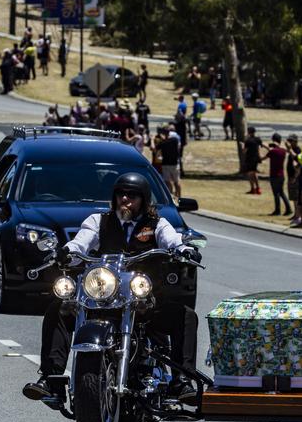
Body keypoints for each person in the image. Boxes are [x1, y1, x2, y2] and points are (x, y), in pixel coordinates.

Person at [22, 173, 201, 405]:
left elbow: (171, 240)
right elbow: (81, 243)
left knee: (186, 316)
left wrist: (183, 250)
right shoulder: (99, 221)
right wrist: (66, 252)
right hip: (103, 298)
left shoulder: (157, 225)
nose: (125, 199)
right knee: (59, 309)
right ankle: (51, 381)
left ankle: (181, 381)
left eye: (132, 195)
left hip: (143, 302)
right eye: (121, 194)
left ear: (144, 200)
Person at [261, 133, 292, 216]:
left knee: (276, 194)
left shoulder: (272, 151)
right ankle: (288, 208)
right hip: (281, 175)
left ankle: (277, 210)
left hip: (274, 175)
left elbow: (262, 158)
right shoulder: (283, 151)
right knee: (281, 192)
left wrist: (267, 147)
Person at [157, 126, 181, 198]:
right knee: (176, 181)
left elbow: (157, 148)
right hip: (174, 163)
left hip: (166, 164)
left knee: (167, 182)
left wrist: (162, 139)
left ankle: (171, 196)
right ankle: (179, 196)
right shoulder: (175, 140)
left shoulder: (163, 142)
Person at [285, 134, 302, 224]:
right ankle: (296, 214)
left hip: (295, 177)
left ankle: (298, 215)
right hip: (291, 176)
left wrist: (295, 177)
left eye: (291, 141)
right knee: (293, 198)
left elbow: (298, 164)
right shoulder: (292, 150)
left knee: (296, 198)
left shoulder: (297, 151)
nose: (289, 143)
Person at [243, 127, 262, 194]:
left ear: (249, 132)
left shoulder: (248, 141)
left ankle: (252, 189)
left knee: (250, 174)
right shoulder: (258, 139)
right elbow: (260, 147)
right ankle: (258, 188)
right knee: (254, 173)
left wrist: (242, 145)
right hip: (256, 158)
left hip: (249, 158)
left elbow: (244, 151)